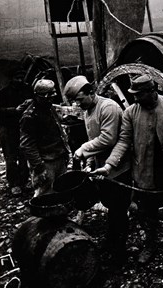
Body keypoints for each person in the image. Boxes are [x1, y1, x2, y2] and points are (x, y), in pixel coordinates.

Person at [93, 75, 163, 264]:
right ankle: (150, 245)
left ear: (152, 91)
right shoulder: (130, 113)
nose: (135, 98)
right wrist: (109, 165)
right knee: (147, 212)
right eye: (133, 94)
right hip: (144, 172)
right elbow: (124, 141)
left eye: (139, 94)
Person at [64, 75, 130, 263]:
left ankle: (120, 251)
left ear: (91, 92)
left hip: (118, 168)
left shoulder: (108, 108)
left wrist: (83, 150)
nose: (78, 105)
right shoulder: (88, 109)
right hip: (102, 169)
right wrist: (90, 162)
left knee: (119, 209)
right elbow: (93, 138)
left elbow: (108, 139)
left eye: (79, 100)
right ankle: (111, 241)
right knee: (110, 206)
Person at [19, 79, 69, 197]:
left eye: (53, 93)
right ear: (39, 96)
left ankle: (60, 214)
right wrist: (39, 167)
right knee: (45, 195)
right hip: (46, 162)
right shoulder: (30, 116)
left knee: (61, 191)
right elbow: (27, 145)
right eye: (49, 94)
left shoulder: (49, 108)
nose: (53, 97)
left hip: (59, 156)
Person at [0, 70, 32, 195]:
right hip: (7, 128)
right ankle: (14, 183)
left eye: (21, 78)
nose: (20, 80)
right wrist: (14, 110)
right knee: (11, 157)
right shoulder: (3, 93)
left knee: (24, 154)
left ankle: (24, 180)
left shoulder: (27, 89)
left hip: (22, 126)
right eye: (17, 78)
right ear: (11, 78)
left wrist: (29, 104)